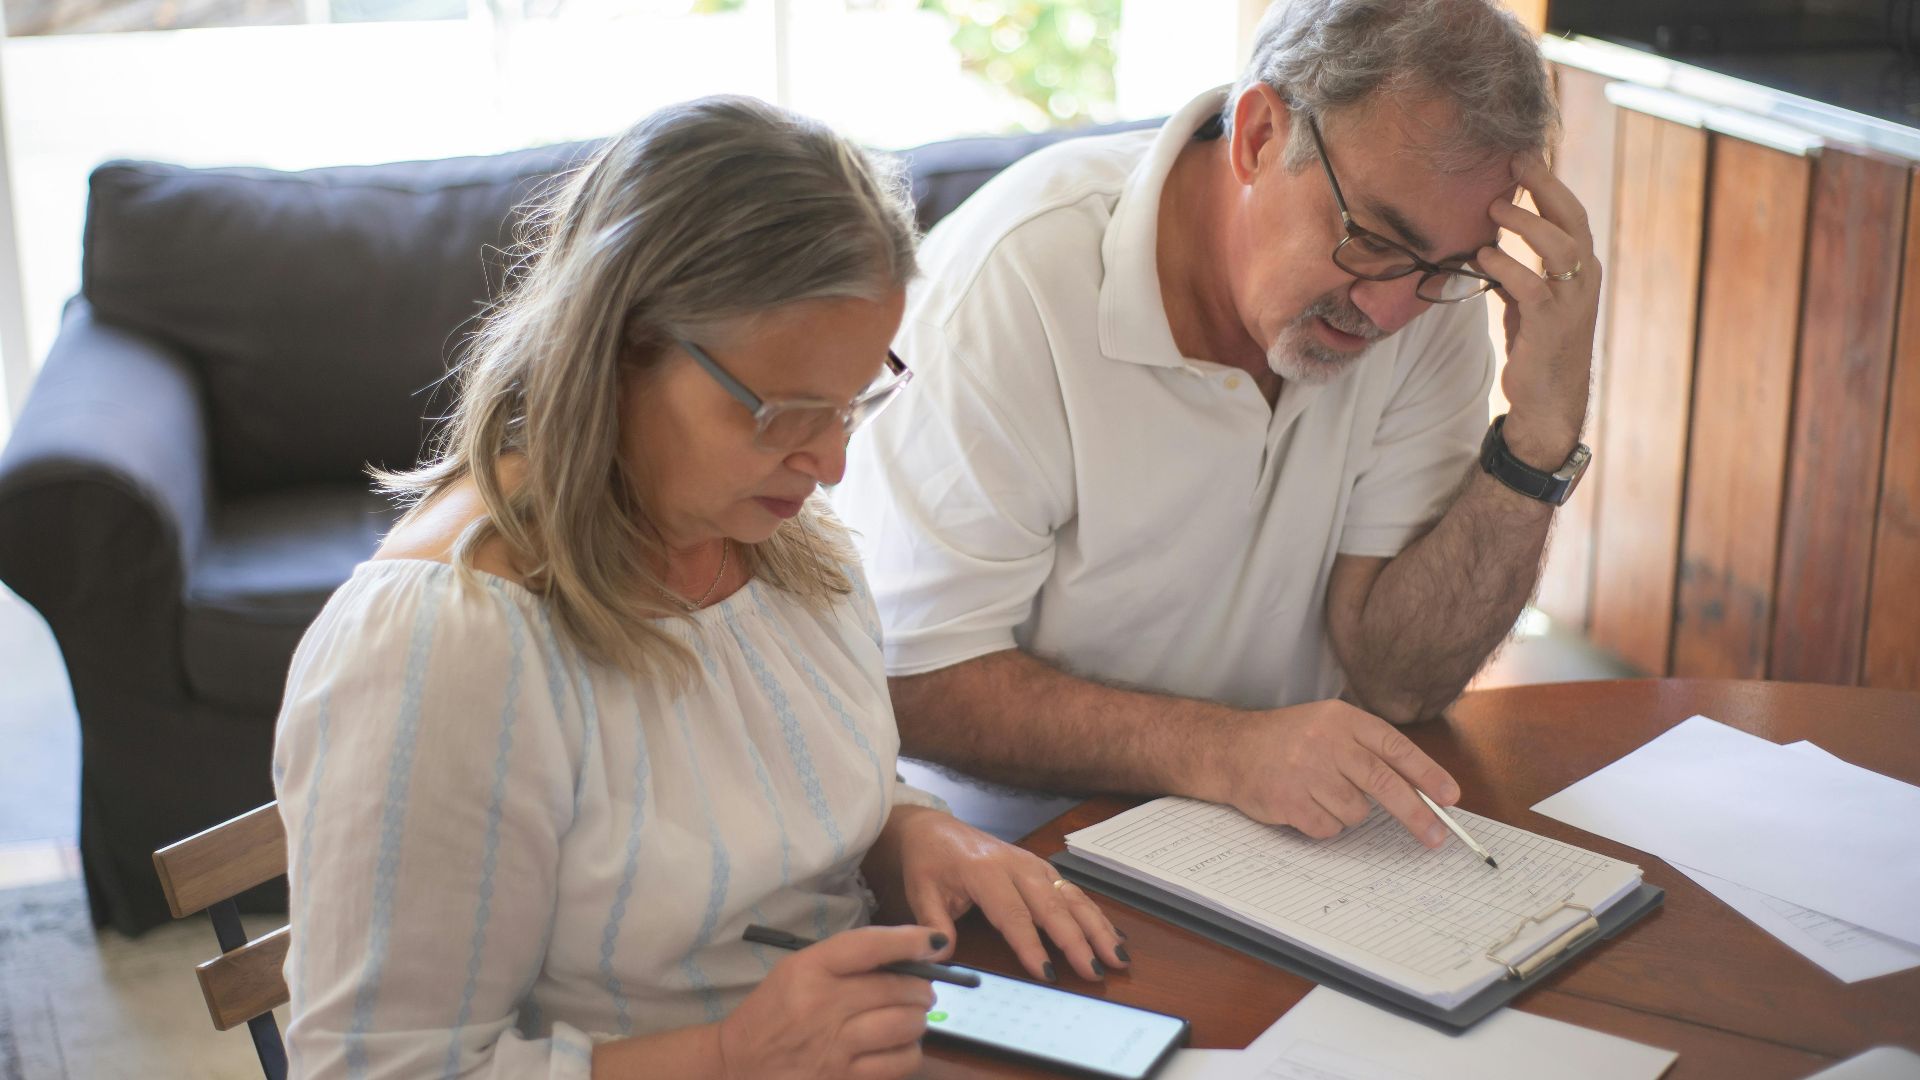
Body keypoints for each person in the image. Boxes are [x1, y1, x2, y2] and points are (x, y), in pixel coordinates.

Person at [272, 96, 1127, 1080]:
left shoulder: (774, 536)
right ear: (618, 344)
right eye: (787, 410)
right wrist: (730, 1055)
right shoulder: (443, 646)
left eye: (854, 400)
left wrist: (913, 834)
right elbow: (374, 1069)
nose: (833, 463)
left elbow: (775, 784)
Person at [832, 0, 1600, 843]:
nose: (1388, 310)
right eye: (1371, 236)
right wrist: (1224, 752)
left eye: (1448, 268)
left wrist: (1537, 439)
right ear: (1260, 135)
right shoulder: (1011, 288)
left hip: (1290, 837)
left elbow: (1400, 684)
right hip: (1024, 855)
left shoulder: (1425, 299)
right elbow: (912, 677)